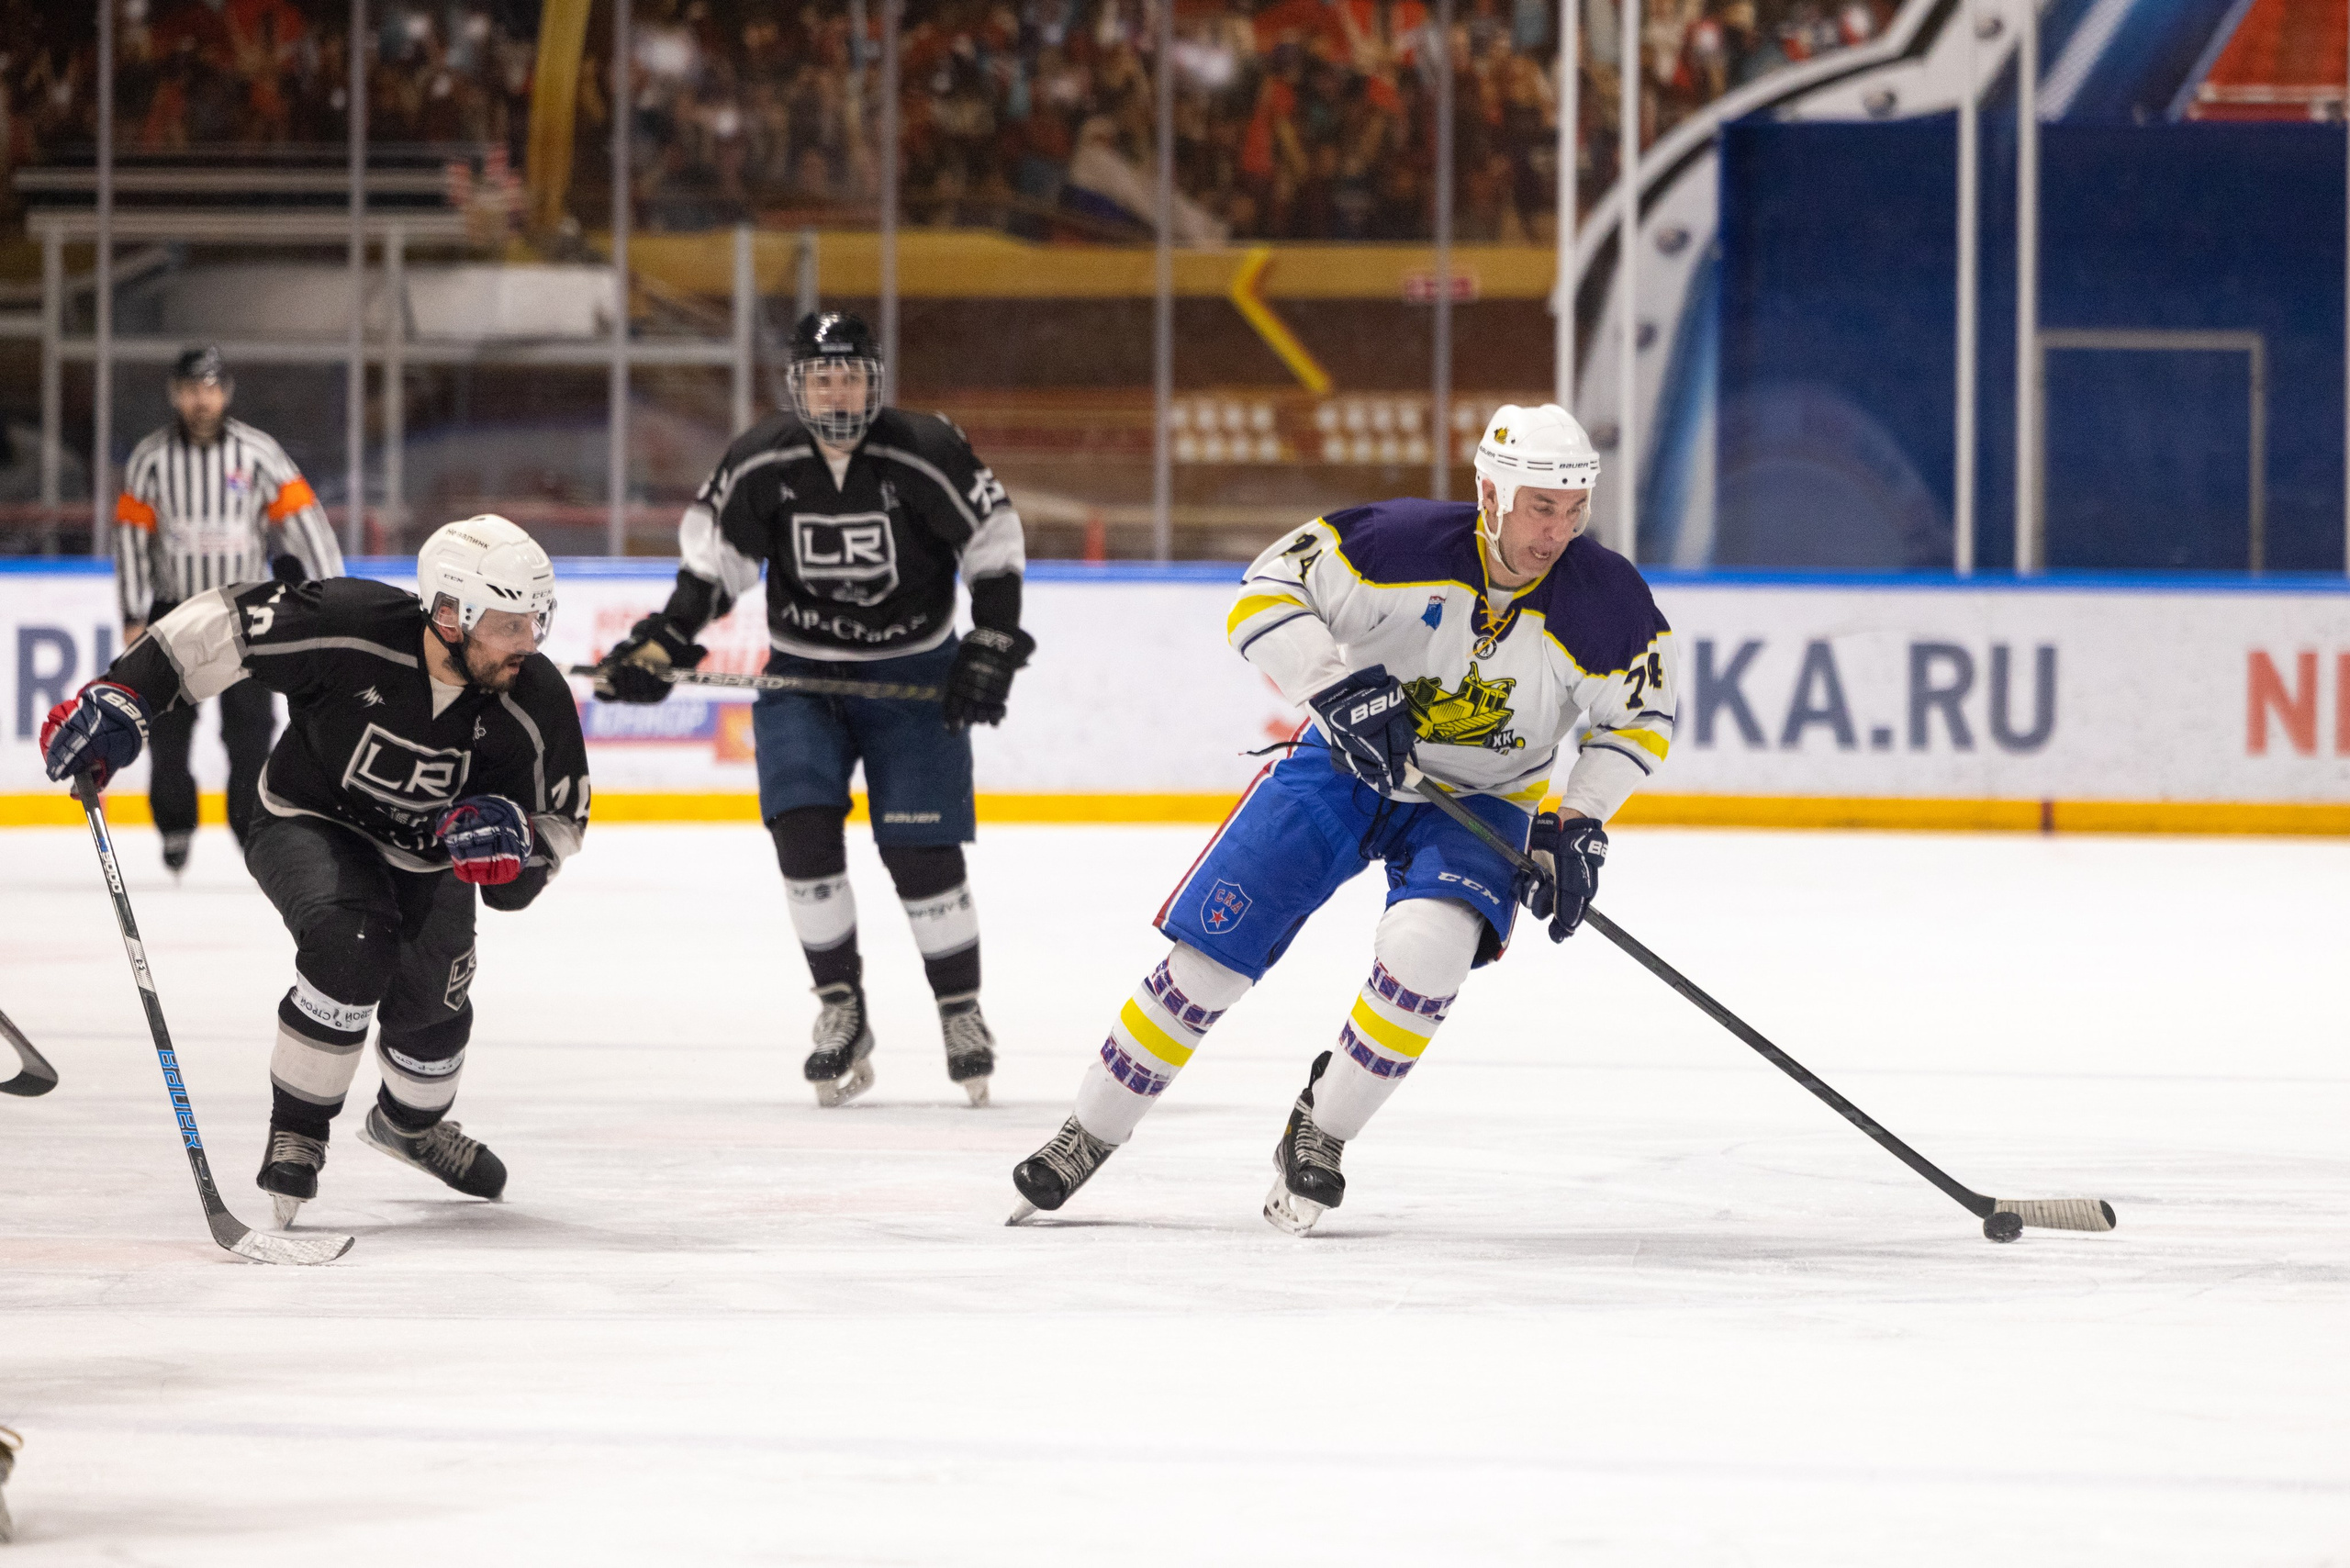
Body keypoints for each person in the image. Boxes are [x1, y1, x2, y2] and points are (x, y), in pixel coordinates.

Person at [1009, 405, 1679, 1233]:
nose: (1558, 530)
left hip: (1482, 801)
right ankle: (1087, 1134)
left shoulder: (1606, 597)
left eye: (1574, 509)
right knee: (1209, 962)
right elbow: (1263, 592)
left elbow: (1640, 719)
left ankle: (1319, 1133)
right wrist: (1331, 683)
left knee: (1426, 958)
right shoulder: (1391, 544)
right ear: (1491, 494)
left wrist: (1576, 818)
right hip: (1342, 771)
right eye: (1541, 506)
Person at [41, 516, 590, 1229]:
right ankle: (298, 1128)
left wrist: (517, 852)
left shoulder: (533, 698)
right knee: (352, 940)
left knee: (432, 1037)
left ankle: (410, 1128)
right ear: (452, 614)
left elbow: (560, 822)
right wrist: (126, 694)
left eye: (537, 622)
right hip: (307, 820)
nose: (530, 643)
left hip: (430, 864)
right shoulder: (348, 624)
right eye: (512, 624)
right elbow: (224, 624)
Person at [595, 311, 1033, 1109]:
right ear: (798, 383)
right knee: (802, 833)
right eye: (823, 375)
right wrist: (664, 642)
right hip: (804, 681)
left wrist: (994, 639)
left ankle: (959, 1011)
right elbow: (713, 569)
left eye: (853, 373)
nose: (839, 389)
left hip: (912, 680)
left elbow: (992, 543)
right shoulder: (762, 460)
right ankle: (841, 1009)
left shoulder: (926, 450)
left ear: (876, 379)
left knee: (923, 856)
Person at [114, 344, 345, 874]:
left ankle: (250, 828)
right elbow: (131, 538)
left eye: (212, 388)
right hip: (174, 612)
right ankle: (174, 824)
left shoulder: (258, 453)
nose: (202, 399)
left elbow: (304, 521)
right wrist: (132, 612)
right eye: (192, 388)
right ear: (176, 393)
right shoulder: (151, 459)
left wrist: (332, 592)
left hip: (246, 613)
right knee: (168, 732)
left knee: (250, 731)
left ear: (227, 392)